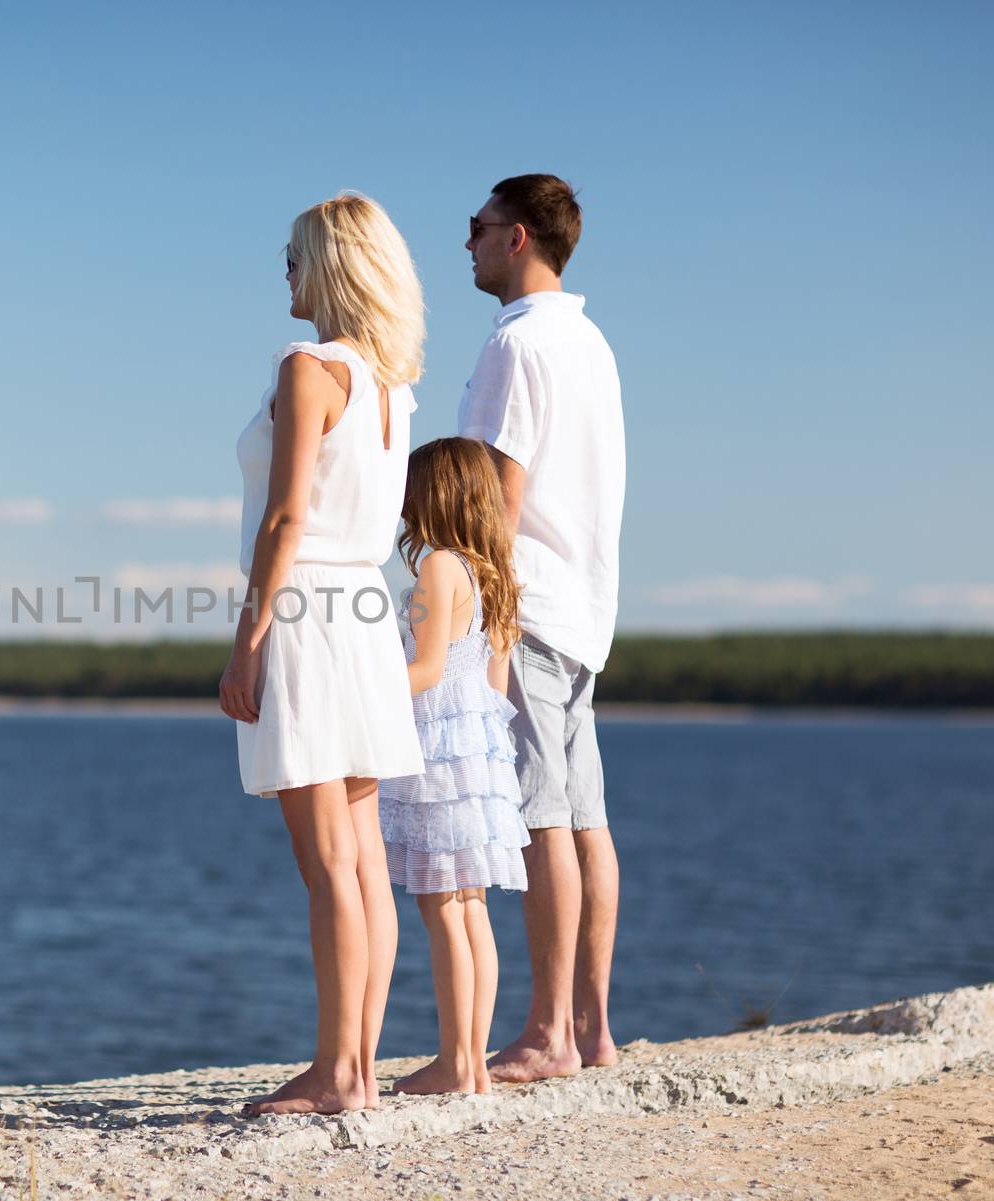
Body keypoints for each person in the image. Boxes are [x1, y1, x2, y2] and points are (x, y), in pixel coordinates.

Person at [220, 192, 426, 1116]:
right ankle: (361, 1066)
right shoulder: (393, 388)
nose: (287, 274)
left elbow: (286, 514)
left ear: (333, 267)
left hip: (308, 613)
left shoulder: (310, 369)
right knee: (363, 860)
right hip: (367, 615)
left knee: (327, 865)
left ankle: (338, 1073)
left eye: (296, 258)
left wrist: (247, 639)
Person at [457, 174, 626, 1082]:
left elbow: (499, 493)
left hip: (526, 604)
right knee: (585, 818)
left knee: (540, 817)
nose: (467, 242)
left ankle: (548, 1034)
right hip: (585, 607)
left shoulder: (518, 346)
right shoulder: (592, 343)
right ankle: (593, 1031)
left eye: (477, 226)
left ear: (517, 237)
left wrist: (478, 614)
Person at [381, 436, 531, 1096]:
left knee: (443, 908)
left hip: (440, 750)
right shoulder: (491, 573)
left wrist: (362, 686)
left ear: (433, 495)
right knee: (471, 909)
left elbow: (426, 668)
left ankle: (455, 1062)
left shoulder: (440, 566)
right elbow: (494, 683)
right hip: (482, 755)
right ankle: (472, 1063)